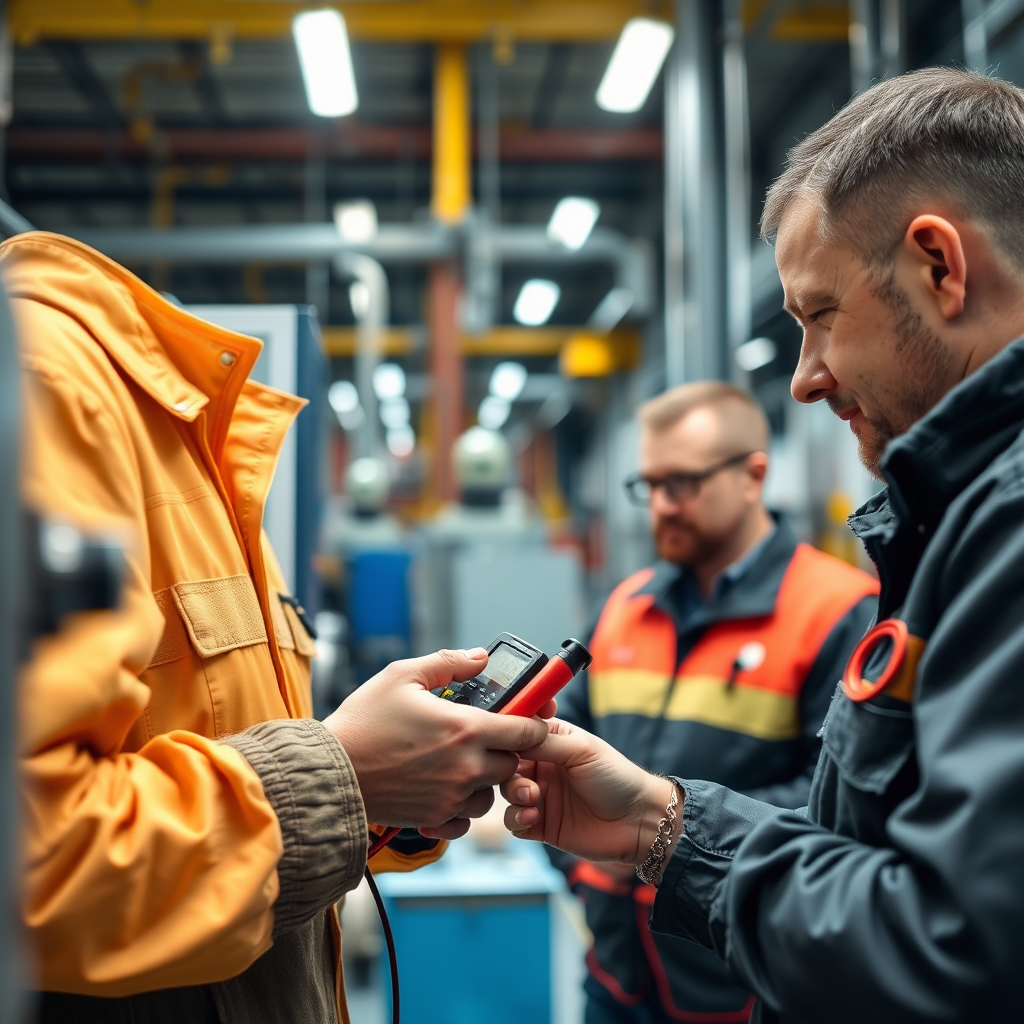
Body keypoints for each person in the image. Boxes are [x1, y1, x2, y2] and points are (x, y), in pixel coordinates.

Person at [501, 66, 1024, 1024]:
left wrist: (675, 831)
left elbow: (957, 954)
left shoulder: (977, 545)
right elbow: (869, 848)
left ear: (940, 266)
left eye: (820, 315)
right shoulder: (945, 537)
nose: (804, 381)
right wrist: (660, 823)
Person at [11, 232, 548, 1023]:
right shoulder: (48, 384)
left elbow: (232, 756)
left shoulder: (194, 437)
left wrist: (381, 797)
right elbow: (33, 859)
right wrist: (345, 775)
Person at [548, 382, 877, 1023]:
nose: (662, 507)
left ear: (753, 475)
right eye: (649, 485)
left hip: (743, 981)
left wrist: (654, 839)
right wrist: (582, 857)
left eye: (683, 483)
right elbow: (559, 744)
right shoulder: (625, 606)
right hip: (617, 976)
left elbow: (840, 804)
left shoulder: (838, 612)